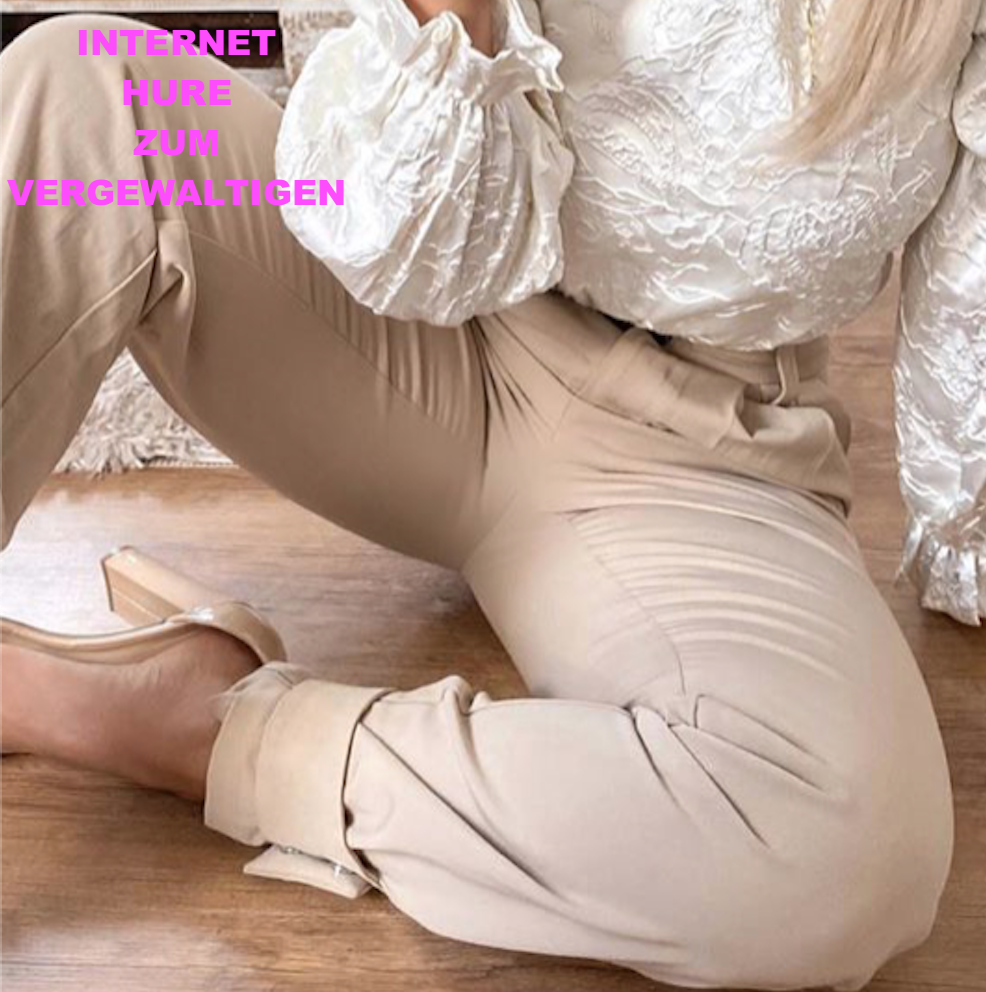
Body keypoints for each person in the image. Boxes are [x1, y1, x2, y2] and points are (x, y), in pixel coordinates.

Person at [1, 0, 982, 987]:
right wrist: (450, 30)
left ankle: (187, 723)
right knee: (80, 92)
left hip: (699, 450)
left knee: (847, 854)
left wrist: (964, 533)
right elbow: (384, 242)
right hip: (410, 331)